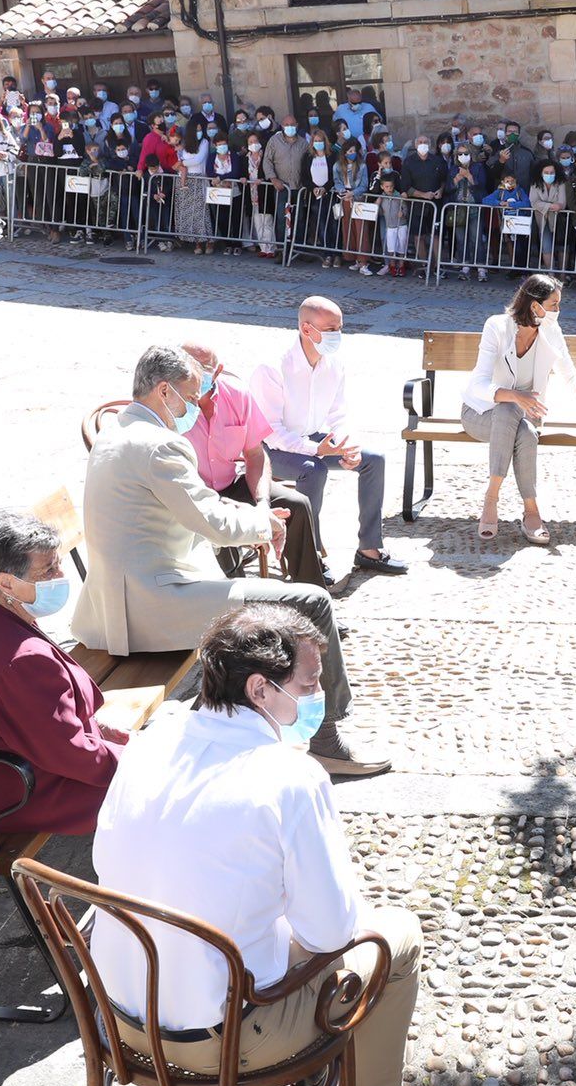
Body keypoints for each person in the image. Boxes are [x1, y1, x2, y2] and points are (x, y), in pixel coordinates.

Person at [87, 605, 444, 1086]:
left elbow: (111, 857)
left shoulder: (154, 737)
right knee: (395, 934)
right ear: (260, 689)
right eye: (307, 685)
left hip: (118, 1020)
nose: (314, 698)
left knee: (250, 913)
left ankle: (325, 1077)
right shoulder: (288, 775)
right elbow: (331, 932)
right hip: (221, 1041)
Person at [72, 344, 388, 775]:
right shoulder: (159, 445)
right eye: (189, 393)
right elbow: (208, 519)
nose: (195, 404)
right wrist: (266, 526)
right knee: (311, 601)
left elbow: (200, 503)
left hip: (118, 600)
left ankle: (250, 725)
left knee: (265, 604)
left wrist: (257, 516)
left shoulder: (117, 432)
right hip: (149, 604)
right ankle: (325, 739)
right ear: (164, 391)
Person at [0, 510, 127, 835]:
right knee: (155, 792)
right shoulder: (21, 659)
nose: (60, 575)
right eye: (48, 569)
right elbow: (69, 754)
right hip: (6, 791)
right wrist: (136, 760)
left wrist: (100, 733)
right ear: (6, 582)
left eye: (57, 563)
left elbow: (42, 723)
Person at [250, 297, 407, 579]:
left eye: (340, 328)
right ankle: (308, 557)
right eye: (331, 328)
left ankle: (369, 549)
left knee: (374, 460)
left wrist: (346, 446)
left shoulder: (334, 364)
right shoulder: (273, 366)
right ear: (306, 329)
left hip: (311, 438)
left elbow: (338, 414)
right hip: (269, 448)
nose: (337, 336)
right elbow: (270, 430)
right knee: (314, 470)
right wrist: (314, 450)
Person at [461, 274, 576, 545]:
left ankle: (498, 500)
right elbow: (478, 384)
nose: (558, 311)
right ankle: (527, 511)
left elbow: (569, 372)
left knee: (524, 429)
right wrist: (514, 395)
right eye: (554, 305)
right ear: (535, 306)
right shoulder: (497, 327)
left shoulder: (551, 332)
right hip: (480, 414)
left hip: (523, 419)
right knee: (510, 409)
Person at [182, 343, 324, 585]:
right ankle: (235, 604)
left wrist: (261, 504)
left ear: (217, 371)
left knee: (297, 505)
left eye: (203, 369)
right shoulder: (171, 400)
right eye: (188, 366)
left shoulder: (237, 394)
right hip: (189, 492)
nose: (195, 374)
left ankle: (312, 599)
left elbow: (255, 455)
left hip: (229, 482)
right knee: (217, 524)